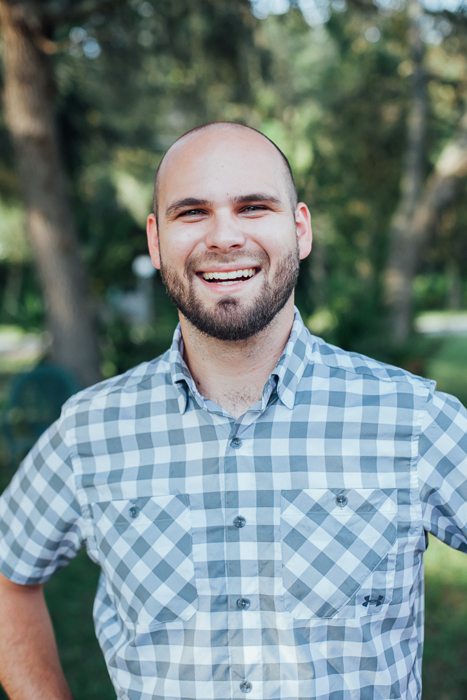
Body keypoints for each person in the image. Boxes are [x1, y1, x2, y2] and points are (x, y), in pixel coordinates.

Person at [0, 122, 466, 700]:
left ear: (299, 229)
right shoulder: (89, 430)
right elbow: (8, 574)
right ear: (155, 240)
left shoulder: (411, 418)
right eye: (192, 212)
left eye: (253, 207)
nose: (224, 236)